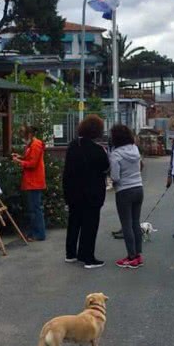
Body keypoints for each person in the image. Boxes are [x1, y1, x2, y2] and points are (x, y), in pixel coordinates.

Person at [63, 114, 110, 269]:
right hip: (92, 194)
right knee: (90, 224)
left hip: (73, 192)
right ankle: (87, 257)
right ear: (97, 131)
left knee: (74, 222)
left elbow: (67, 171)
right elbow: (105, 168)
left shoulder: (72, 146)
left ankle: (70, 254)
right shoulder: (98, 150)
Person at [109, 124, 144, 269]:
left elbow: (115, 177)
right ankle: (138, 255)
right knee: (136, 223)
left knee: (126, 225)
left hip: (124, 190)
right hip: (138, 188)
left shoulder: (116, 154)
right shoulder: (135, 149)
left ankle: (131, 256)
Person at [12, 125, 46, 242]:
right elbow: (30, 158)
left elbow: (32, 163)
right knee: (33, 208)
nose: (22, 138)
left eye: (23, 136)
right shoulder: (32, 144)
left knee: (35, 209)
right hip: (32, 181)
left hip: (34, 181)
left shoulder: (35, 144)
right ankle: (34, 233)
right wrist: (20, 157)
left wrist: (19, 162)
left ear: (29, 135)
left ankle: (39, 234)